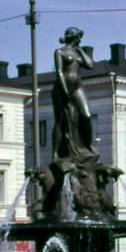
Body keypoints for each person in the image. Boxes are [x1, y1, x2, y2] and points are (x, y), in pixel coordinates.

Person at [52, 26, 96, 163]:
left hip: (77, 87)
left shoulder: (77, 52)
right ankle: (55, 153)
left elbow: (90, 65)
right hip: (62, 87)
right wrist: (64, 90)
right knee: (60, 121)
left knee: (86, 115)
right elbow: (59, 72)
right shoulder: (59, 51)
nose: (78, 38)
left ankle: (88, 146)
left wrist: (80, 50)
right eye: (76, 35)